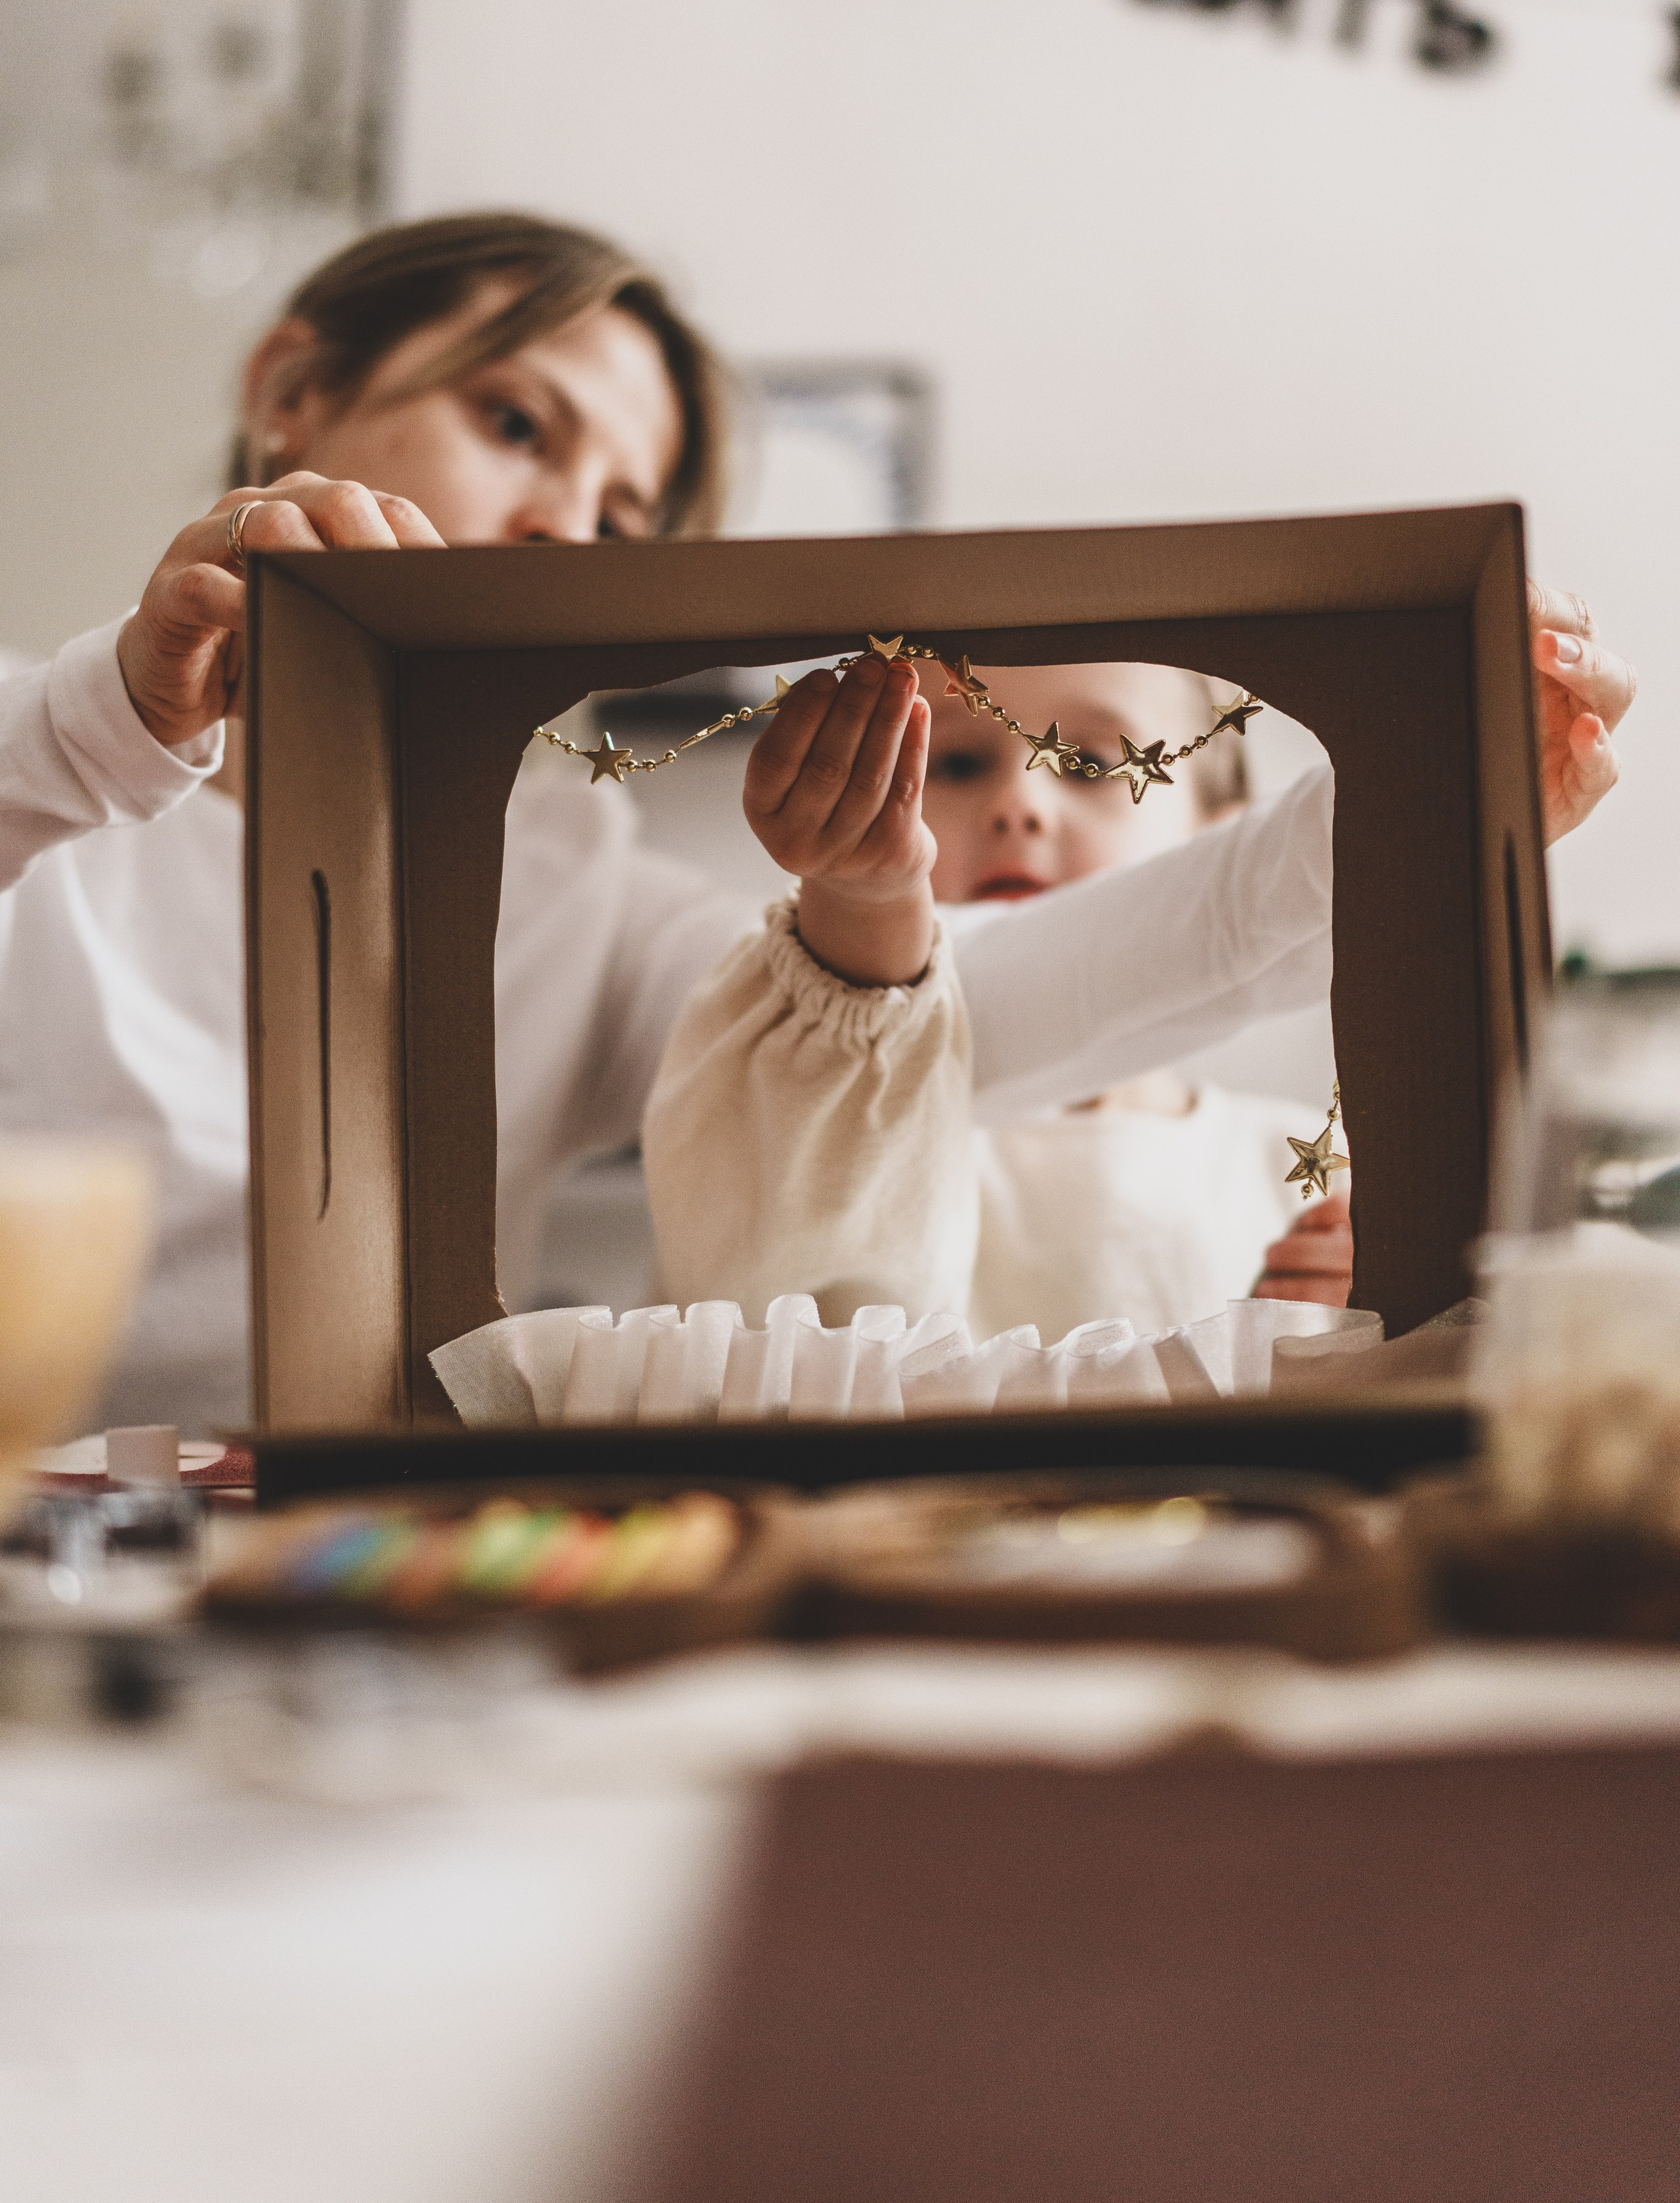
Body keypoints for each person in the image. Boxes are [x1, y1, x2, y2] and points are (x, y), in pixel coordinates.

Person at [0, 210, 1633, 1426]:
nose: (561, 526)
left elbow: (955, 1024)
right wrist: (113, 721)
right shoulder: (46, 734)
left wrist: (1408, 821)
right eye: (516, 424)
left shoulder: (573, 888)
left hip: (323, 1534)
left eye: (624, 516)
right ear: (294, 387)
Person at [642, 622, 1635, 1337]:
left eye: (1085, 762)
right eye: (949, 764)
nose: (1018, 805)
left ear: (1221, 823)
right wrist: (863, 907)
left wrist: (1346, 1338)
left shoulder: (1295, 1173)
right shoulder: (815, 1132)